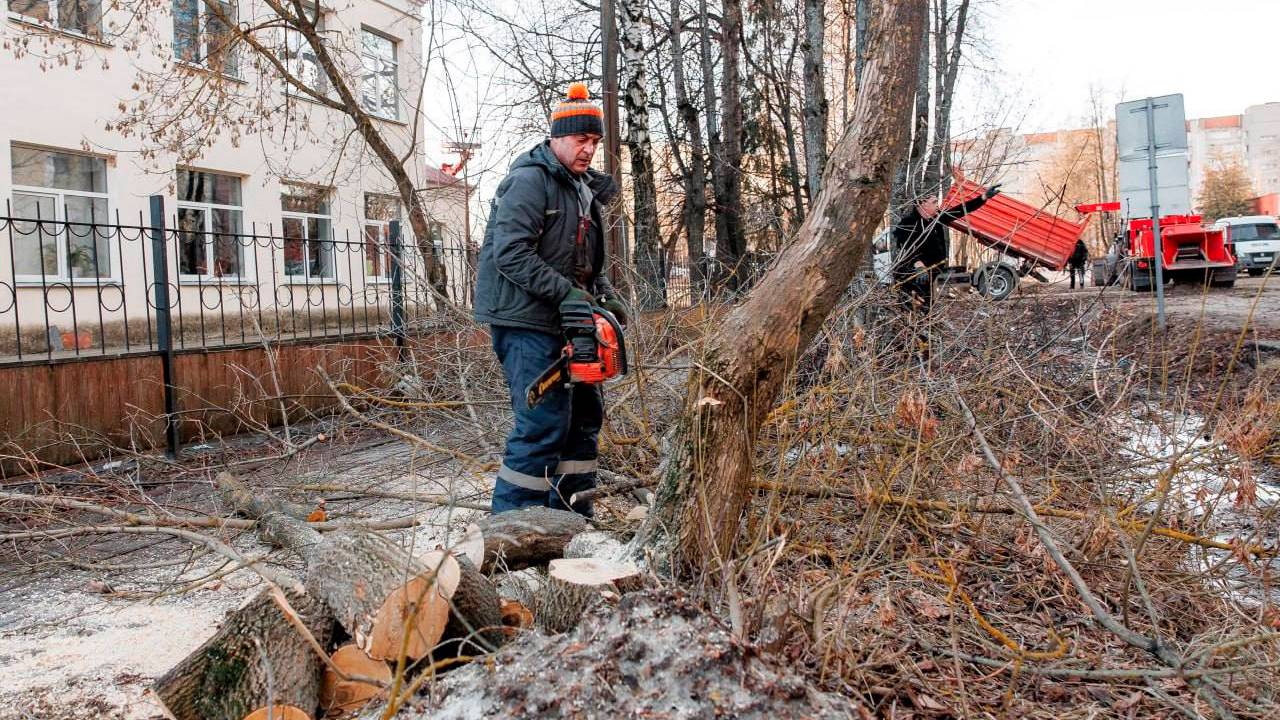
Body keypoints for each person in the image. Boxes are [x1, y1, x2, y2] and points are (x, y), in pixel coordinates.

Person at [473, 83, 628, 518]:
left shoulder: (582, 189)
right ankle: (512, 531)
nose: (589, 150)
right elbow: (510, 253)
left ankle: (571, 519)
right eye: (581, 139)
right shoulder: (529, 181)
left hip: (568, 322)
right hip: (526, 322)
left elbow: (582, 265)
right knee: (542, 424)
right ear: (557, 137)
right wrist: (566, 294)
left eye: (594, 141)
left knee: (582, 421)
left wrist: (605, 299)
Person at [891, 183, 1001, 309]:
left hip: (931, 271)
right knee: (913, 305)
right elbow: (904, 244)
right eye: (934, 202)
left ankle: (926, 324)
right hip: (913, 274)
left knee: (927, 305)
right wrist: (917, 264)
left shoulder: (935, 218)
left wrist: (983, 197)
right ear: (923, 204)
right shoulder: (909, 222)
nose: (937, 205)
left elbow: (960, 210)